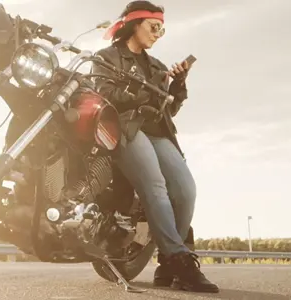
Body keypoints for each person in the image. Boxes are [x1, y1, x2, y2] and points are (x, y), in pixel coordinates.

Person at [91, 1, 219, 293]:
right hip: (127, 128)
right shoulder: (106, 58)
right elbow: (103, 95)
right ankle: (178, 259)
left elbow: (168, 110)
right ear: (135, 23)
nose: (159, 33)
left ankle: (166, 264)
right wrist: (137, 92)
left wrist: (178, 87)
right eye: (154, 26)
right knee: (155, 184)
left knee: (186, 190)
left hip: (158, 132)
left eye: (162, 29)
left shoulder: (156, 66)